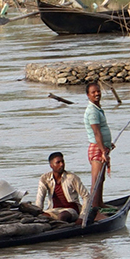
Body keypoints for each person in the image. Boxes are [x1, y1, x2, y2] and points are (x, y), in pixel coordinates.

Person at [34, 152, 90, 223]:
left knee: (62, 216)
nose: (62, 164)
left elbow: (86, 196)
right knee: (42, 217)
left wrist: (82, 216)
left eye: (62, 161)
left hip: (71, 210)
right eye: (58, 162)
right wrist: (37, 213)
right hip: (54, 210)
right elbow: (40, 198)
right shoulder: (45, 178)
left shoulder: (72, 178)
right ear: (51, 165)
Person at [84, 82, 113, 213]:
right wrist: (103, 151)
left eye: (98, 91)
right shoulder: (92, 111)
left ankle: (99, 202)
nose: (97, 94)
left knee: (101, 178)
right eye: (93, 92)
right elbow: (96, 133)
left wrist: (107, 145)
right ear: (88, 95)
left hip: (102, 147)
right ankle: (93, 208)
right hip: (96, 148)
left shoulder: (97, 109)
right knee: (96, 179)